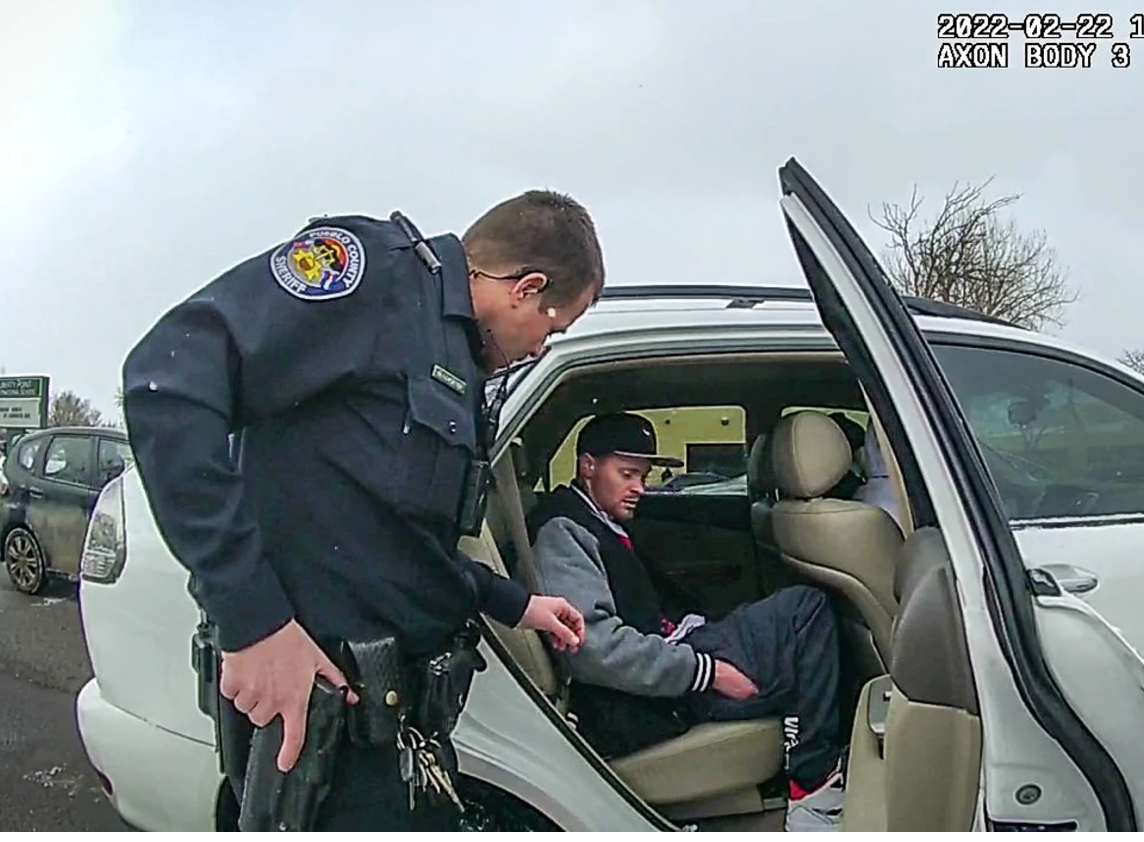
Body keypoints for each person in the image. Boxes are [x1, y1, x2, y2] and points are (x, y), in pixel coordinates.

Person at [120, 190, 605, 831]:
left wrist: (516, 604)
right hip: (321, 722)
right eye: (552, 326)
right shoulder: (374, 276)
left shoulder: (455, 358)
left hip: (398, 726)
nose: (540, 346)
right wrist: (252, 620)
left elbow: (394, 539)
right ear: (526, 286)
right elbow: (167, 382)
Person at [527, 412, 848, 832]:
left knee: (796, 644)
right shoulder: (562, 532)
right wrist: (706, 672)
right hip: (648, 697)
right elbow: (594, 648)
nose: (638, 488)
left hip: (675, 650)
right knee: (806, 610)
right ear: (588, 466)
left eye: (642, 476)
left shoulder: (596, 520)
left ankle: (810, 758)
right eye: (626, 474)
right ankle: (813, 789)